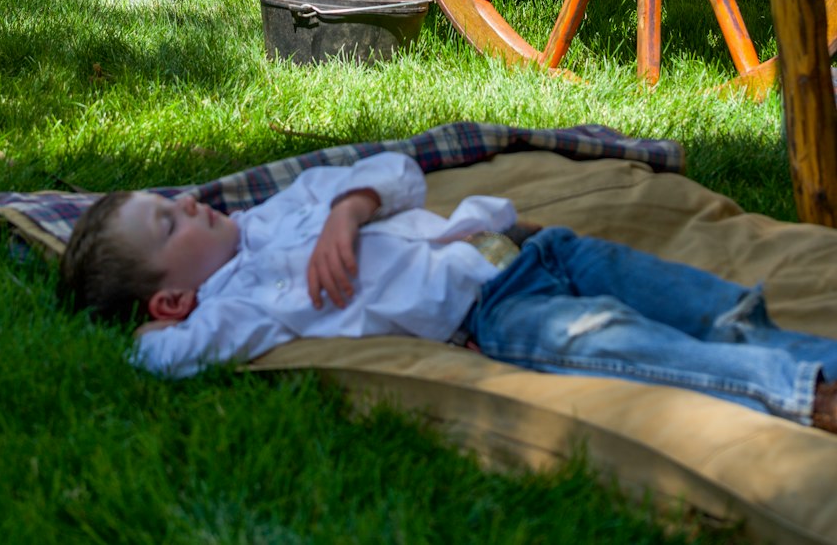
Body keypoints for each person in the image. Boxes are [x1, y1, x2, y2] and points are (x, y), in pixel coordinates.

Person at [58, 150, 837, 431]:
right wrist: (148, 330)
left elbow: (395, 173)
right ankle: (804, 393)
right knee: (637, 346)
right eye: (169, 224)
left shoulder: (281, 211)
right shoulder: (237, 312)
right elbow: (158, 359)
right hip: (500, 312)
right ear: (170, 301)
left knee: (708, 306)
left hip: (539, 248)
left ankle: (817, 360)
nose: (191, 204)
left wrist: (345, 214)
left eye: (173, 198)